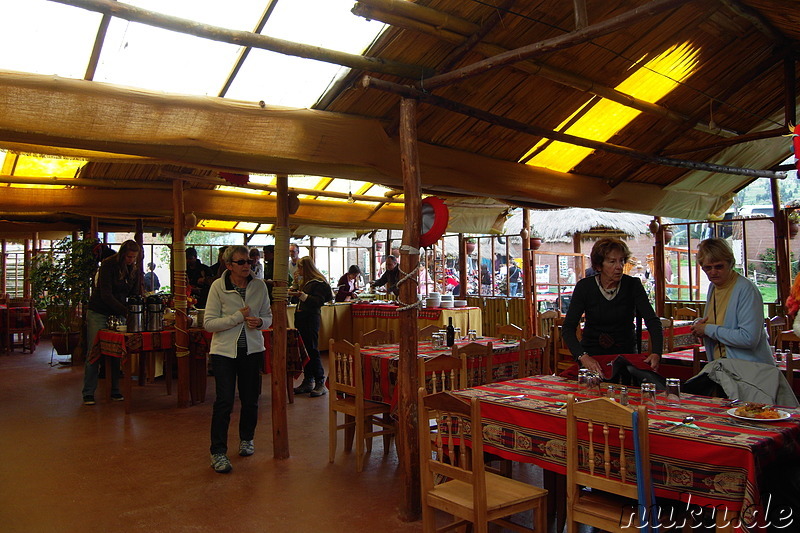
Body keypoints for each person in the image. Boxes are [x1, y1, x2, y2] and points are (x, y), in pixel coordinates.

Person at [204, 245, 272, 474]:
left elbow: (268, 316)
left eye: (249, 262)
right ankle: (218, 452)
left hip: (252, 351)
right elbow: (209, 323)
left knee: (251, 399)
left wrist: (260, 322)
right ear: (229, 265)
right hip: (223, 352)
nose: (247, 266)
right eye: (241, 262)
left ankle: (246, 438)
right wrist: (237, 317)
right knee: (224, 401)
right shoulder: (218, 287)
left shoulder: (260, 286)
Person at [563, 237, 664, 387]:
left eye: (621, 261)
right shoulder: (585, 287)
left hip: (626, 357)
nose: (619, 266)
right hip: (593, 357)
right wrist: (582, 357)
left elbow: (652, 320)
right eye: (612, 262)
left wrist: (656, 352)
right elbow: (568, 328)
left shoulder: (632, 285)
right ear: (599, 266)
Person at [689, 238, 773, 364]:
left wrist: (707, 329)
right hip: (723, 367)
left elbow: (748, 338)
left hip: (749, 371)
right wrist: (700, 325)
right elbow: (720, 324)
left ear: (730, 263)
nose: (713, 272)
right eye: (707, 268)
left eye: (719, 266)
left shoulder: (745, 289)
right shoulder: (714, 287)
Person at [82, 240, 142, 406]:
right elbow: (105, 294)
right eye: (129, 257)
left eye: (134, 257)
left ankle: (115, 390)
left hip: (120, 311)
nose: (131, 260)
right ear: (122, 254)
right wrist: (126, 311)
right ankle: (88, 392)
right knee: (94, 351)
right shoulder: (108, 265)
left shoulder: (134, 269)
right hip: (99, 311)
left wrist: (134, 308)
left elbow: (135, 293)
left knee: (117, 351)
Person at [290, 256, 333, 397]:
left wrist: (302, 295)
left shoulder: (318, 283)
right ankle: (308, 379)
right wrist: (296, 287)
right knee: (304, 351)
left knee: (312, 350)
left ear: (306, 268)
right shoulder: (306, 283)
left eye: (300, 267)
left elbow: (318, 301)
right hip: (301, 318)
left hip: (310, 319)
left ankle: (320, 381)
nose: (298, 270)